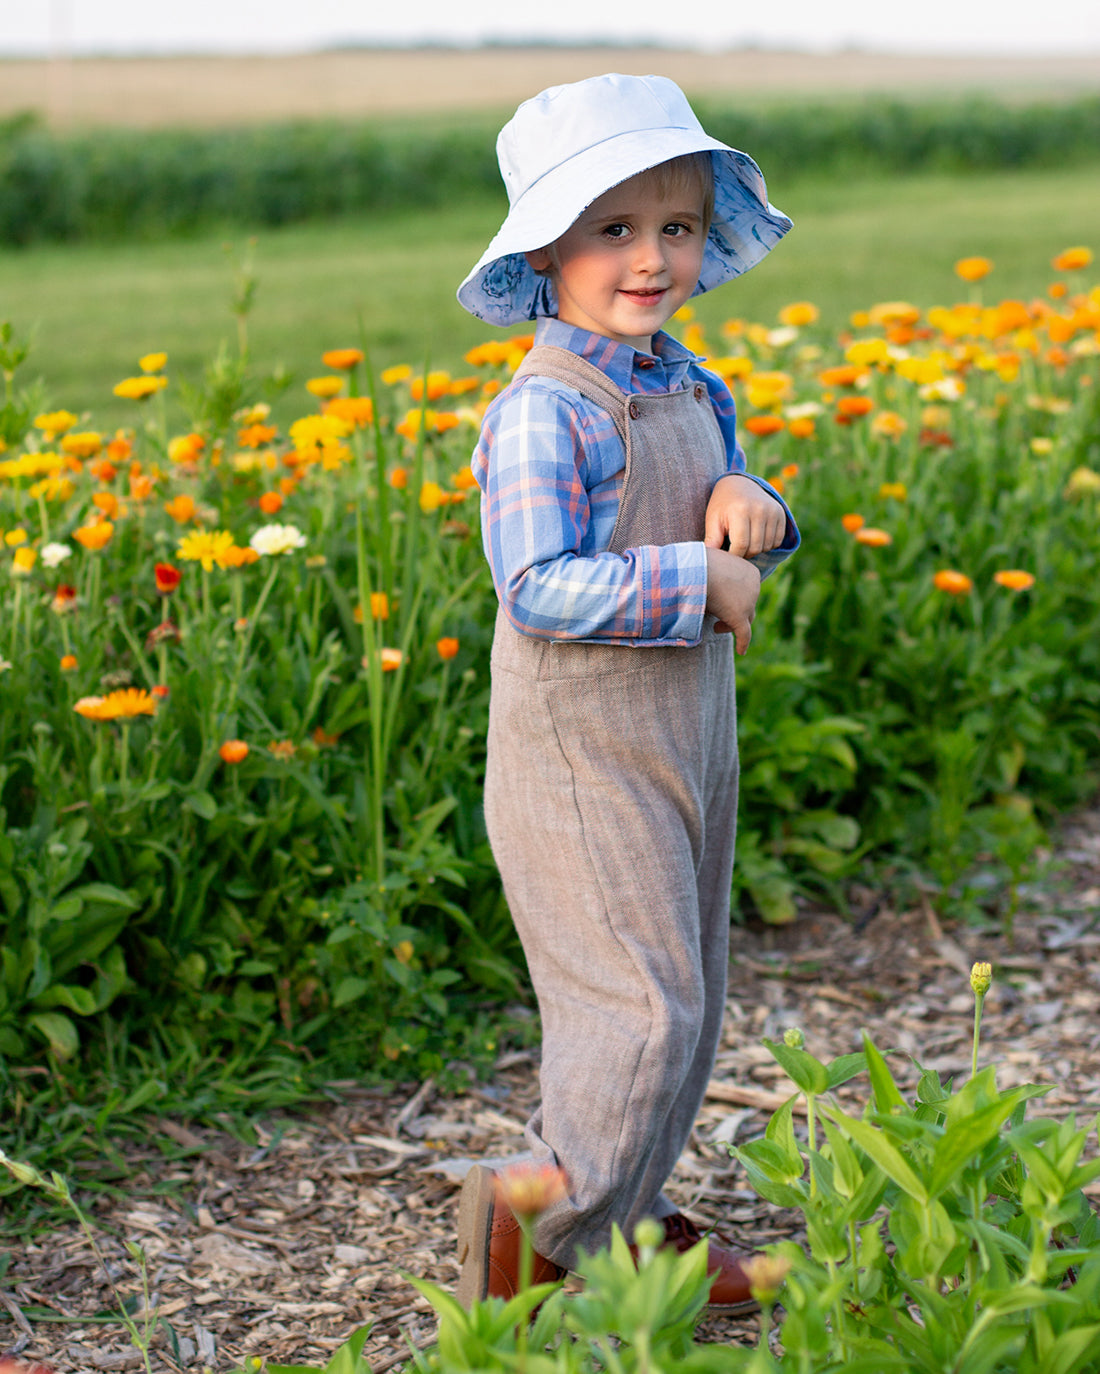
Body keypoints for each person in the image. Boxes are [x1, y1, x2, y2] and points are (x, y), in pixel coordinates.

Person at [453, 72, 799, 1312]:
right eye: (612, 229)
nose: (649, 258)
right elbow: (538, 583)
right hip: (580, 748)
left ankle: (623, 1222)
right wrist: (693, 577)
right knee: (637, 1007)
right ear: (543, 250)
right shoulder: (549, 408)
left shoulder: (681, 380)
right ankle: (532, 1232)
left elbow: (726, 492)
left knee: (684, 998)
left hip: (683, 732)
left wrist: (747, 508)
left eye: (676, 227)